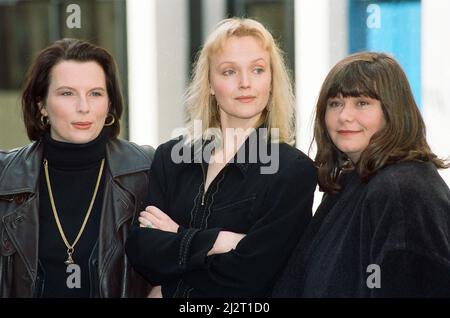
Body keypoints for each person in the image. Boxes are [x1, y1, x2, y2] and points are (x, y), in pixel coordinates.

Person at [125, 18, 317, 298]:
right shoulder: (172, 157)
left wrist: (177, 236)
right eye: (229, 72)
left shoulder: (293, 171)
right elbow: (144, 254)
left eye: (258, 69)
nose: (245, 83)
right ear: (210, 84)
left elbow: (251, 277)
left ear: (272, 80)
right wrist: (220, 241)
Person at [272, 52, 450, 298]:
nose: (344, 115)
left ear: (393, 112)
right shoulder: (351, 181)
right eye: (335, 103)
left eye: (362, 103)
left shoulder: (402, 190)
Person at [0, 38, 153, 297]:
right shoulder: (5, 177)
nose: (83, 107)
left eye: (95, 93)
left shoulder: (147, 170)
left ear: (109, 105)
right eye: (67, 93)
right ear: (41, 106)